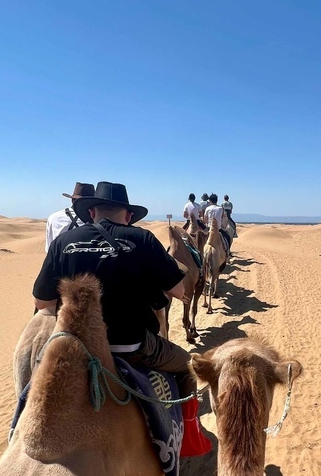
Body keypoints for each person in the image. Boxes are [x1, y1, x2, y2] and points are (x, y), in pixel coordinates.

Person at [33, 181, 211, 456]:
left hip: (74, 348)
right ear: (128, 215)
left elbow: (41, 302)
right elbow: (179, 290)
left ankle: (18, 429)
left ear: (91, 212)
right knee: (187, 367)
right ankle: (186, 436)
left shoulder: (62, 243)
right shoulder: (142, 240)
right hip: (132, 348)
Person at [45, 182, 94, 251]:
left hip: (59, 260)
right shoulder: (95, 220)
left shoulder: (54, 217)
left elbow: (49, 249)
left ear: (72, 200)